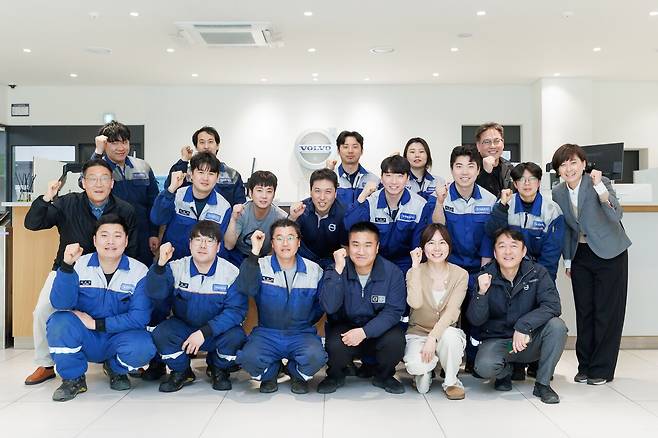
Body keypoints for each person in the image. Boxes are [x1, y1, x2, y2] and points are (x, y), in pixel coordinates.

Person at [23, 159, 137, 386]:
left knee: (122, 309)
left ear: (112, 183)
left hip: (110, 271)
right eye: (92, 179)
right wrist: (47, 197)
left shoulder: (125, 210)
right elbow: (32, 223)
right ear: (83, 182)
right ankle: (46, 364)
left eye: (104, 178)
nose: (98, 184)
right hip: (68, 269)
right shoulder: (67, 203)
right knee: (43, 309)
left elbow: (132, 247)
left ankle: (114, 359)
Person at [46, 214, 155, 401]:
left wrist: (97, 324)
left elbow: (139, 318)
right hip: (85, 335)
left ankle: (116, 369)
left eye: (117, 236)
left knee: (144, 346)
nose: (110, 241)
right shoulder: (79, 265)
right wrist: (66, 266)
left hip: (118, 335)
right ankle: (73, 379)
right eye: (104, 235)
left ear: (126, 241)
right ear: (95, 240)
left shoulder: (139, 271)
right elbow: (60, 303)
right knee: (59, 323)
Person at [551, 143, 631, 385]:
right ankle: (585, 366)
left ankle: (602, 369)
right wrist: (567, 260)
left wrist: (600, 188)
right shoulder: (558, 192)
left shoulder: (599, 182)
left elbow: (616, 214)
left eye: (573, 162)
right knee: (584, 311)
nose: (568, 168)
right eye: (563, 165)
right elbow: (567, 229)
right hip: (581, 254)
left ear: (584, 164)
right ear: (558, 170)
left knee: (607, 311)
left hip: (610, 253)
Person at [466, 228, 567, 404]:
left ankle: (543, 384)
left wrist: (524, 325)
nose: (508, 251)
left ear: (523, 251)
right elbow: (476, 320)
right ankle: (504, 372)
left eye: (513, 246)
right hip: (501, 344)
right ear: (495, 253)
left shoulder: (537, 273)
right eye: (502, 246)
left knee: (557, 327)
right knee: (484, 367)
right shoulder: (485, 276)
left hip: (528, 341)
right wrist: (481, 293)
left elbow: (552, 305)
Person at [146, 221, 248, 392]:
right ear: (190, 244)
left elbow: (236, 311)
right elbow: (155, 292)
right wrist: (160, 264)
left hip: (216, 331)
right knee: (162, 333)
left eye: (209, 241)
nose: (202, 245)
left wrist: (204, 332)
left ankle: (218, 368)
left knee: (236, 337)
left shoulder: (231, 273)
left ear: (218, 247)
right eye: (198, 240)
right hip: (184, 327)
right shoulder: (176, 267)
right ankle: (181, 371)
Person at [235, 219, 326, 394]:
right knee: (248, 358)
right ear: (272, 243)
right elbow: (245, 288)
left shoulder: (314, 270)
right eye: (279, 238)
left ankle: (295, 372)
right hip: (267, 332)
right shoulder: (260, 265)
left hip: (301, 333)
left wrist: (305, 322)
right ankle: (271, 372)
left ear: (298, 242)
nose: (285, 243)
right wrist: (254, 252)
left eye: (290, 238)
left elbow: (320, 305)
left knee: (316, 358)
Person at [317, 222, 407, 394]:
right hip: (346, 327)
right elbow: (329, 306)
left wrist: (365, 332)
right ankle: (335, 375)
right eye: (355, 245)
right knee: (335, 344)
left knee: (395, 341)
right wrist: (338, 271)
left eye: (368, 245)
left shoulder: (392, 272)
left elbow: (393, 311)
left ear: (377, 247)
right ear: (348, 247)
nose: (361, 251)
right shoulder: (336, 269)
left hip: (379, 328)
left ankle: (384, 376)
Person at [433, 145, 497, 372]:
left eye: (470, 166)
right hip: (449, 268)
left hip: (478, 267)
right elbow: (437, 230)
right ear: (451, 170)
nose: (464, 172)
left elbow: (490, 236)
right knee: (446, 314)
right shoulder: (442, 197)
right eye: (458, 166)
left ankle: (472, 359)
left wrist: (484, 270)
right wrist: (439, 203)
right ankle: (444, 361)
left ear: (478, 170)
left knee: (474, 315)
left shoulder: (489, 199)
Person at [344, 154, 439, 273]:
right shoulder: (371, 201)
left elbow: (418, 245)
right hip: (374, 262)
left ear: (407, 178)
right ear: (381, 178)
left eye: (399, 176)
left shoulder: (419, 205)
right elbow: (349, 226)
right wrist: (362, 196)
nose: (394, 182)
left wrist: (413, 270)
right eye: (388, 175)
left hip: (406, 263)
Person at [403, 223, 468, 399]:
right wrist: (415, 267)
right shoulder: (413, 272)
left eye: (442, 243)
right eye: (431, 243)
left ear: (449, 246)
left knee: (451, 336)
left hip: (445, 332)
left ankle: (451, 381)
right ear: (423, 247)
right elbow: (415, 303)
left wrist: (433, 338)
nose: (437, 248)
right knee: (417, 371)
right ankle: (427, 370)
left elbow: (452, 312)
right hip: (418, 333)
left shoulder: (461, 274)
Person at [91, 120, 160, 266]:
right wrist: (97, 152)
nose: (121, 148)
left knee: (142, 272)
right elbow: (83, 181)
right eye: (115, 143)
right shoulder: (100, 167)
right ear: (105, 144)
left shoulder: (143, 166)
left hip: (142, 235)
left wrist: (154, 233)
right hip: (113, 237)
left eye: (125, 142)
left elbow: (153, 203)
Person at [486, 162, 565, 281]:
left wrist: (541, 281)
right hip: (506, 271)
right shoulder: (505, 203)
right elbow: (491, 233)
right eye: (521, 179)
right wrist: (502, 207)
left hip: (539, 273)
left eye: (532, 179)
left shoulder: (552, 211)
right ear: (515, 184)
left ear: (539, 182)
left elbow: (551, 255)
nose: (527, 183)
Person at [151, 152, 232, 261]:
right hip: (173, 261)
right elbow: (157, 219)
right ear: (191, 174)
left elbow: (220, 246)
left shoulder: (223, 207)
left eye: (211, 173)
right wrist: (170, 190)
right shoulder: (177, 196)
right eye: (201, 172)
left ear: (217, 177)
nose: (205, 178)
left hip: (204, 265)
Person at [164, 126, 246, 206]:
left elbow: (240, 205)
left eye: (210, 142)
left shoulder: (232, 175)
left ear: (217, 145)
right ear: (196, 147)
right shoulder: (188, 172)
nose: (206, 147)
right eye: (202, 142)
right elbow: (170, 191)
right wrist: (184, 160)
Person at [221, 170, 287, 266]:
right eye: (259, 190)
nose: (264, 196)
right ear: (251, 193)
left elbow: (279, 250)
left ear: (274, 194)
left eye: (269, 191)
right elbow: (228, 246)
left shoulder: (280, 217)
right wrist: (233, 219)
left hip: (264, 259)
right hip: (239, 257)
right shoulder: (241, 212)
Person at [288, 168, 347, 270]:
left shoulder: (344, 214)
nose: (322, 197)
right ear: (310, 191)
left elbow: (347, 249)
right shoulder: (301, 210)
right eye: (317, 191)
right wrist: (292, 217)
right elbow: (285, 238)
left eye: (328, 191)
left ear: (335, 193)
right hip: (303, 263)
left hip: (332, 265)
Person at [326, 130, 380, 206]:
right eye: (345, 147)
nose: (350, 151)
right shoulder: (330, 178)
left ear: (362, 151)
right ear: (338, 151)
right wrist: (327, 173)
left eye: (355, 147)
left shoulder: (374, 180)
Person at [474, 122, 514, 198]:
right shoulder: (470, 167)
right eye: (487, 142)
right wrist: (485, 173)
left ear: (503, 143)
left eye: (497, 141)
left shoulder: (509, 168)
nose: (492, 146)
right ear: (478, 146)